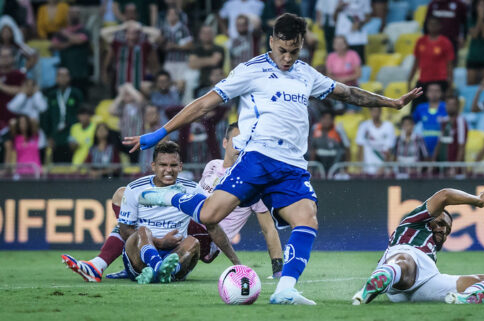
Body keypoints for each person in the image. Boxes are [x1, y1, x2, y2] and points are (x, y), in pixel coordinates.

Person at [125, 13, 422, 304]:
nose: (287, 57)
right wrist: (159, 132)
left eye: (294, 51)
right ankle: (165, 197)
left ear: (301, 45)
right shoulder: (250, 70)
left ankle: (285, 290)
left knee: (307, 220)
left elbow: (347, 93)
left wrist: (391, 103)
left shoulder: (306, 73)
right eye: (282, 50)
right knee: (208, 217)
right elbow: (205, 104)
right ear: (271, 42)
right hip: (257, 158)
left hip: (292, 166)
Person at [352, 184, 484, 305]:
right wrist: (477, 200)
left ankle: (463, 298)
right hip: (403, 263)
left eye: (447, 230)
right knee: (405, 261)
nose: (443, 230)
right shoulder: (413, 222)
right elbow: (445, 195)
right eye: (440, 223)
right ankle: (381, 278)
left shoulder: (431, 250)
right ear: (428, 218)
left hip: (427, 281)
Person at [119, 141, 240, 284]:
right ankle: (159, 268)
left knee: (193, 242)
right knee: (142, 231)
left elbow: (212, 226)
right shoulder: (135, 188)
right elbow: (124, 230)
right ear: (153, 166)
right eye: (163, 165)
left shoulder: (192, 189)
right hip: (139, 259)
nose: (168, 170)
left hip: (174, 256)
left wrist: (237, 264)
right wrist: (159, 242)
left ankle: (166, 271)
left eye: (173, 165)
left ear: (180, 166)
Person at [199, 122, 284, 278]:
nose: (241, 146)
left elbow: (268, 229)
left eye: (246, 142)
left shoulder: (252, 183)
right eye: (237, 140)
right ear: (225, 143)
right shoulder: (212, 165)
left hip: (209, 240)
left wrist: (278, 270)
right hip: (186, 227)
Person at [409, 17, 454, 110]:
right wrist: (410, 80)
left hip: (440, 81)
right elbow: (416, 63)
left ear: (440, 26)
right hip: (423, 80)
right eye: (430, 24)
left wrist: (450, 85)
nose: (432, 26)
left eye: (435, 24)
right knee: (415, 107)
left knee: (442, 109)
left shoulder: (445, 42)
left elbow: (450, 66)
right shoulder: (420, 41)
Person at [41, 67, 83, 163]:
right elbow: (45, 116)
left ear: (70, 78)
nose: (63, 78)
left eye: (65, 75)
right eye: (60, 75)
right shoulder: (51, 95)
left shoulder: (76, 94)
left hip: (72, 133)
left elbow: (81, 113)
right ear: (56, 78)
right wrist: (48, 136)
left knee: (72, 162)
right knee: (55, 164)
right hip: (55, 134)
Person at [50, 6, 91, 98]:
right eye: (71, 13)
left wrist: (65, 35)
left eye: (76, 13)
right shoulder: (59, 32)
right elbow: (54, 45)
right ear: (67, 15)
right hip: (65, 70)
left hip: (80, 71)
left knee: (81, 97)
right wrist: (71, 42)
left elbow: (80, 40)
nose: (74, 15)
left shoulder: (84, 30)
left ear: (80, 15)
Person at [355, 107, 396, 175]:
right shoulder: (364, 126)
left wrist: (383, 168)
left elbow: (389, 150)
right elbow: (360, 148)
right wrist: (360, 167)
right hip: (367, 169)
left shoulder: (388, 126)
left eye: (377, 111)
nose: (375, 114)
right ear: (370, 112)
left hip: (384, 170)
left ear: (380, 112)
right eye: (373, 111)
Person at [412, 83, 447, 158]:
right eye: (431, 91)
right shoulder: (420, 108)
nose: (434, 93)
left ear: (441, 93)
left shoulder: (446, 107)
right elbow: (413, 124)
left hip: (442, 147)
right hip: (422, 148)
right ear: (427, 93)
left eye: (437, 91)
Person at [159, 7, 193, 82]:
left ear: (177, 16)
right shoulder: (164, 29)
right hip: (168, 60)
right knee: (168, 82)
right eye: (169, 14)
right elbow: (160, 46)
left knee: (181, 82)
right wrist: (163, 45)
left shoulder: (183, 28)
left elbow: (190, 45)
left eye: (173, 14)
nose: (171, 16)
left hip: (181, 60)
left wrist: (175, 46)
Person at [466, 0, 484, 85]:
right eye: (479, 5)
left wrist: (481, 18)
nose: (481, 8)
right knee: (471, 83)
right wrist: (480, 18)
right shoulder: (470, 19)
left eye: (483, 5)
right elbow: (474, 34)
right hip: (473, 56)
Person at [433, 95, 468, 162]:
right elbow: (439, 143)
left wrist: (456, 167)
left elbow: (461, 146)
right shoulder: (443, 121)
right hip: (442, 165)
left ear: (457, 106)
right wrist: (433, 162)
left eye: (453, 104)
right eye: (448, 104)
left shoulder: (460, 121)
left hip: (454, 165)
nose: (450, 107)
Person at [0, 46, 26, 130]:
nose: (5, 59)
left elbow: (23, 91)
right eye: (2, 56)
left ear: (13, 58)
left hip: (16, 118)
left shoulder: (19, 74)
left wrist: (1, 86)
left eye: (8, 56)